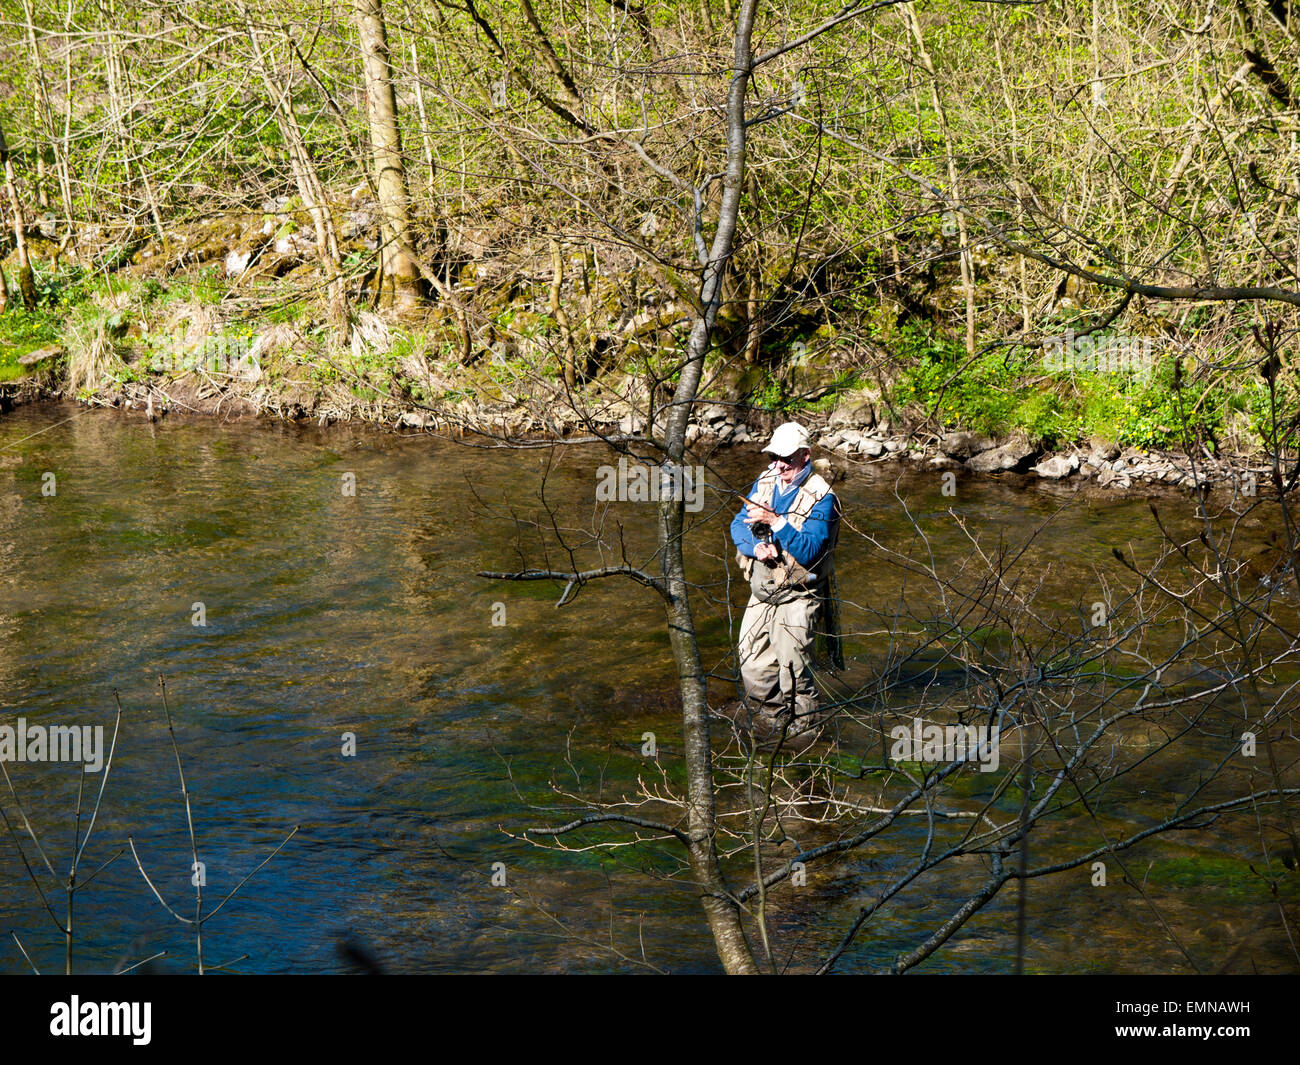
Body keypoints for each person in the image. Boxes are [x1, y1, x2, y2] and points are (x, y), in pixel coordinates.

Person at [729, 420, 840, 732]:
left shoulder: (823, 498)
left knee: (794, 674)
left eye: (785, 458)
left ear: (805, 456)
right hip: (763, 591)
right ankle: (773, 721)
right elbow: (737, 525)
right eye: (772, 457)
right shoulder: (765, 481)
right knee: (751, 666)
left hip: (799, 595)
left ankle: (805, 734)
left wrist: (776, 522)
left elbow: (810, 552)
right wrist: (755, 546)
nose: (777, 465)